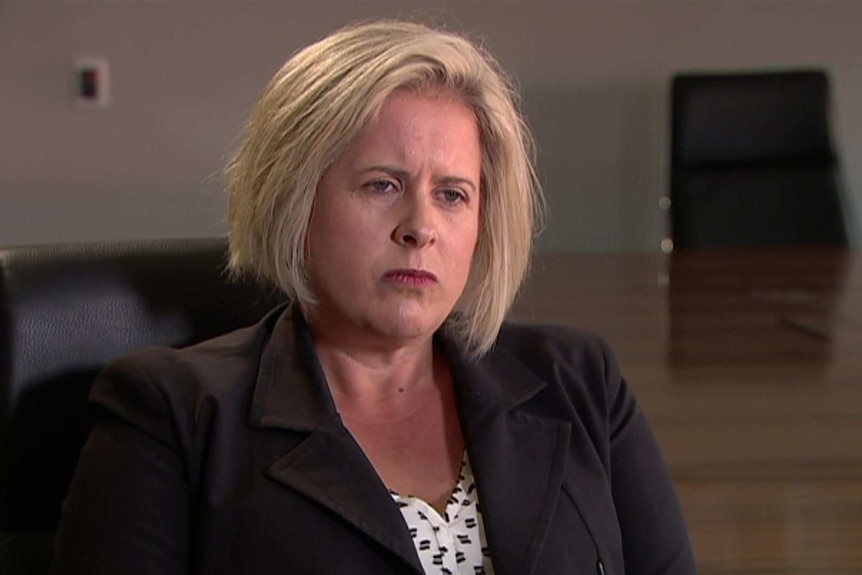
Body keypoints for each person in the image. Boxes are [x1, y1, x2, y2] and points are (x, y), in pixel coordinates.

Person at [51, 19, 697, 575]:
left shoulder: (579, 380)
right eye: (382, 185)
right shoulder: (171, 414)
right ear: (296, 202)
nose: (421, 226)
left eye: (453, 194)